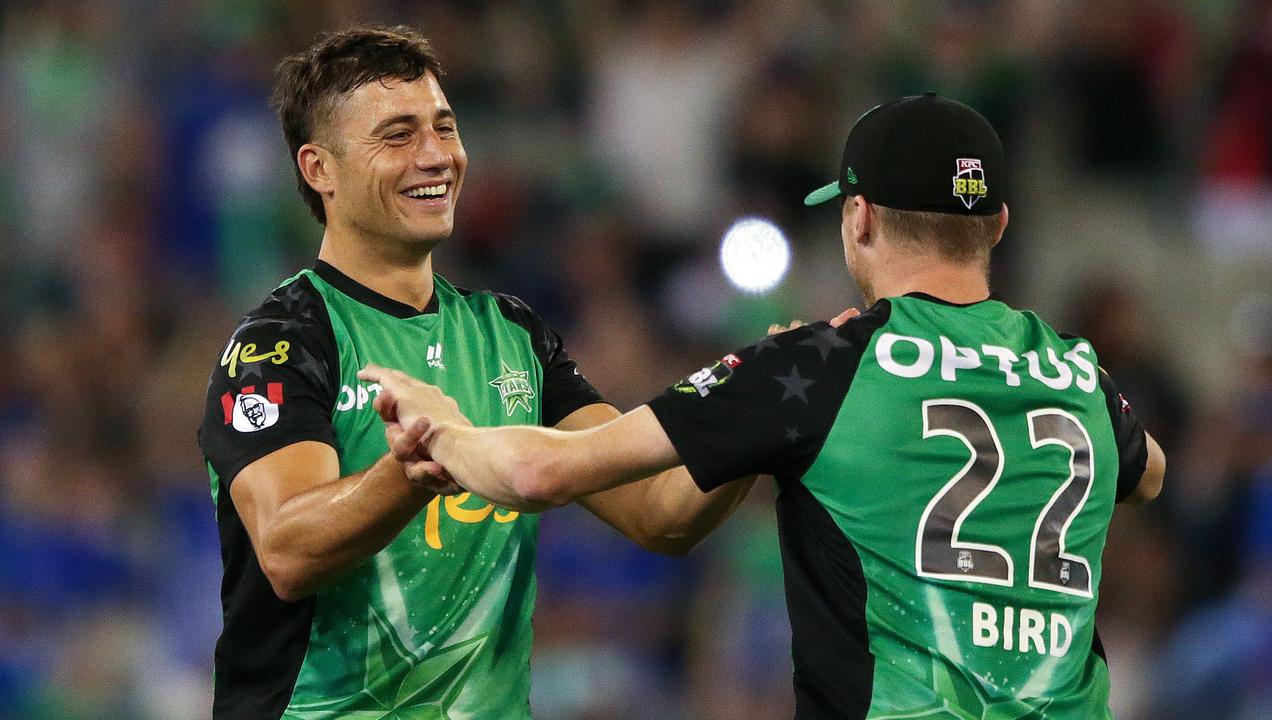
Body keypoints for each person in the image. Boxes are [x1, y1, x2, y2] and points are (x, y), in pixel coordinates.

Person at [364, 93, 1167, 719]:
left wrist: (443, 423)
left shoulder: (817, 366)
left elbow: (543, 472)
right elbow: (1150, 474)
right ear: (996, 224)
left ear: (858, 217)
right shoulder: (1077, 371)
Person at [196, 25, 754, 719]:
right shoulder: (280, 344)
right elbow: (286, 550)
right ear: (319, 169)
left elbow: (660, 512)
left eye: (444, 127)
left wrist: (756, 413)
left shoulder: (511, 334)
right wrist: (410, 472)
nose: (437, 156)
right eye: (397, 135)